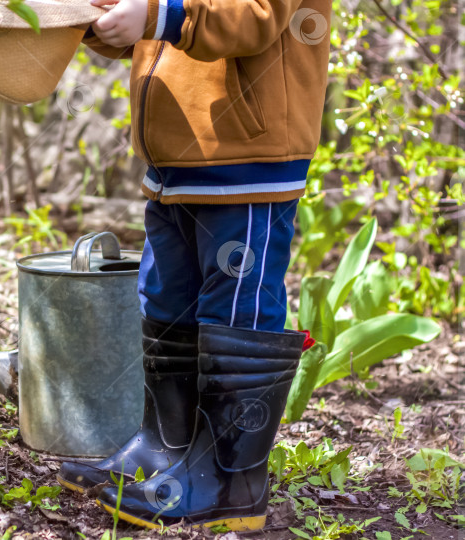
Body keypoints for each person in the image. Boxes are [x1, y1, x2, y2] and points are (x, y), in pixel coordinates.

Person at [57, 0, 330, 530]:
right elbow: (155, 25)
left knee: (235, 308)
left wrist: (157, 16)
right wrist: (104, 18)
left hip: (249, 156)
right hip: (177, 155)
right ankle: (165, 448)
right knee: (166, 296)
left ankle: (230, 480)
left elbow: (257, 15)